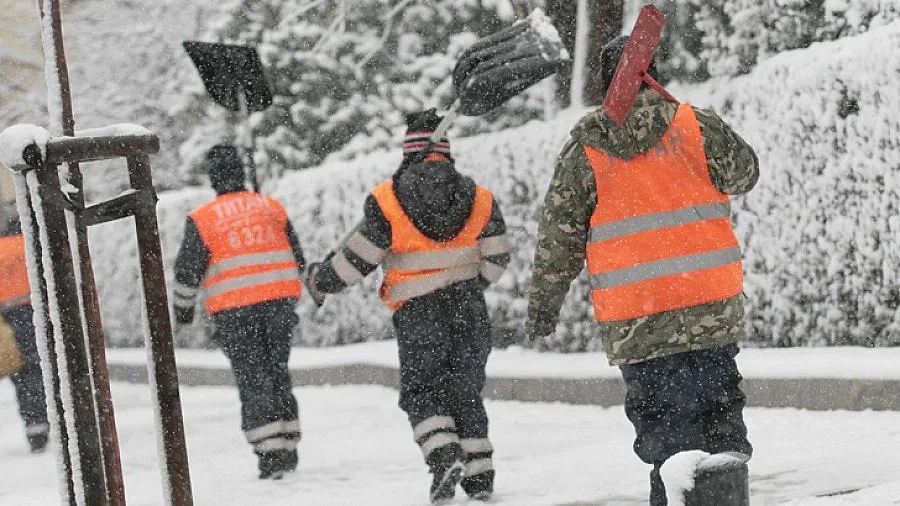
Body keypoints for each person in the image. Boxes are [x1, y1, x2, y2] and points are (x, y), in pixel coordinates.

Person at [525, 35, 759, 505]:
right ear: (656, 74)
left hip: (639, 325)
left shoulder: (586, 148)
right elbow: (746, 174)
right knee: (721, 430)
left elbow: (559, 240)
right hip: (709, 313)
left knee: (668, 439)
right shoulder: (697, 127)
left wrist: (543, 307)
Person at [307, 109, 511, 504]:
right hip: (469, 310)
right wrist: (468, 287)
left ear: (408, 149)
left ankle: (443, 454)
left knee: (423, 392)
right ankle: (481, 478)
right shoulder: (480, 197)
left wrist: (322, 280)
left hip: (419, 315)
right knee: (465, 392)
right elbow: (498, 258)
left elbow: (357, 260)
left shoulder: (387, 199)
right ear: (446, 150)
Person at [172, 145, 305, 480]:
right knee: (277, 372)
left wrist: (183, 310)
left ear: (213, 178)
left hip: (235, 311)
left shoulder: (203, 219)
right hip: (279, 304)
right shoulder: (270, 207)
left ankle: (270, 451)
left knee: (253, 376)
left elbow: (188, 271)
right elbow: (297, 256)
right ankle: (288, 442)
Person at [0, 207, 49, 453]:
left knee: (24, 374)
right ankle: (60, 413)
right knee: (49, 366)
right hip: (40, 312)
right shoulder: (28, 245)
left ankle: (35, 425)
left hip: (10, 320)